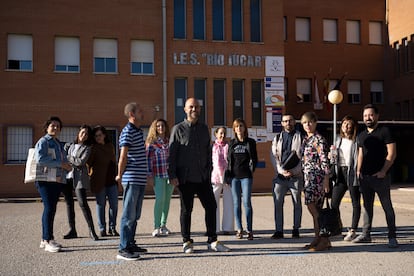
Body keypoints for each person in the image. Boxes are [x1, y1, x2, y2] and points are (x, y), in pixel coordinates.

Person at [168, 97, 230, 253]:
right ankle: (187, 241)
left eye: (196, 107)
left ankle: (212, 240)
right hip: (185, 178)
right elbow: (172, 154)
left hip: (202, 178)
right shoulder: (178, 129)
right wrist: (172, 175)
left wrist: (208, 171)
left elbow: (208, 152)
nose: (194, 109)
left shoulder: (204, 129)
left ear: (200, 109)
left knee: (211, 206)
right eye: (191, 107)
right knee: (186, 210)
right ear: (185, 109)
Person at [353, 104, 398, 248]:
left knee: (387, 207)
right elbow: (360, 153)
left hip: (381, 177)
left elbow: (392, 153)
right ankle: (366, 234)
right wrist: (358, 171)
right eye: (365, 115)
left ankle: (392, 236)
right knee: (367, 207)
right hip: (365, 177)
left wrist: (383, 171)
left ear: (377, 116)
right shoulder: (361, 134)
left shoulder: (385, 131)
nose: (368, 118)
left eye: (371, 115)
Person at [116, 102, 148, 261]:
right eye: (140, 111)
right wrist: (119, 175)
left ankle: (130, 243)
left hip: (140, 179)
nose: (143, 113)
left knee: (135, 214)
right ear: (132, 114)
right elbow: (123, 156)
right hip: (132, 178)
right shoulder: (127, 131)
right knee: (128, 214)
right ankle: (123, 248)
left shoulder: (138, 131)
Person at [35, 116, 72, 253]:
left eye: (58, 126)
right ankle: (47, 240)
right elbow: (40, 159)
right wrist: (60, 164)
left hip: (56, 180)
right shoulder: (44, 141)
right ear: (47, 127)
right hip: (45, 181)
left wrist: (67, 165)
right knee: (49, 208)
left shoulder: (57, 143)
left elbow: (61, 160)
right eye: (53, 125)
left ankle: (47, 238)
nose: (55, 128)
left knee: (51, 209)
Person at [300, 112, 331, 251]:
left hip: (317, 178)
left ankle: (323, 239)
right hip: (308, 178)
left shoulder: (319, 139)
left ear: (315, 123)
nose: (308, 125)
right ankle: (319, 238)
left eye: (310, 122)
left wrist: (326, 179)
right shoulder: (306, 139)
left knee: (314, 209)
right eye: (305, 122)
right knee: (314, 210)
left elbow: (324, 160)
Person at [270, 114, 303, 239]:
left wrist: (294, 171)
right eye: (285, 121)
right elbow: (273, 156)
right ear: (282, 123)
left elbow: (303, 157)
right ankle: (279, 230)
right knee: (278, 203)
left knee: (297, 203)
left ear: (294, 122)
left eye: (290, 120)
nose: (288, 123)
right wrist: (281, 171)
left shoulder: (301, 136)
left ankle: (296, 229)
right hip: (280, 177)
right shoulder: (277, 137)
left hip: (296, 176)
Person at [64, 125, 99, 241]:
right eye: (82, 132)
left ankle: (92, 231)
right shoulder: (69, 146)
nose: (84, 135)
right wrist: (69, 158)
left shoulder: (88, 148)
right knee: (69, 204)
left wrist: (68, 158)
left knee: (83, 203)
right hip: (67, 177)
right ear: (79, 133)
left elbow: (81, 162)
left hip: (79, 178)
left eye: (86, 134)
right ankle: (72, 230)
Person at [330, 116, 361, 241]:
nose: (346, 127)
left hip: (352, 171)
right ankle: (338, 228)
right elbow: (333, 157)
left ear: (353, 126)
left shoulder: (357, 140)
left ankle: (353, 230)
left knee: (355, 203)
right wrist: (331, 156)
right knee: (334, 203)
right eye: (344, 124)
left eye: (349, 124)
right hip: (340, 172)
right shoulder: (338, 140)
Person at [227, 118, 258, 240]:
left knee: (247, 202)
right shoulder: (232, 143)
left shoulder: (250, 142)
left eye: (241, 126)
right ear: (234, 129)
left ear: (244, 128)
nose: (239, 128)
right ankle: (239, 229)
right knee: (236, 204)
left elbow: (254, 158)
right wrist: (228, 175)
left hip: (246, 177)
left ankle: (249, 230)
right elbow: (229, 160)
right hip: (235, 177)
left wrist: (251, 170)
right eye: (236, 126)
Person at [88, 125, 119, 237]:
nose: (98, 138)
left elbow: (114, 161)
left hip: (111, 180)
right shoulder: (93, 148)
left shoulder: (110, 146)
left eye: (100, 135)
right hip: (99, 181)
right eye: (96, 136)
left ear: (104, 135)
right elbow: (88, 164)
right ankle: (102, 229)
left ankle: (112, 228)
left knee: (114, 205)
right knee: (101, 205)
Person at [146, 119, 174, 237]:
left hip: (170, 175)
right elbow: (148, 160)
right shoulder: (151, 143)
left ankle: (163, 225)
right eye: (158, 126)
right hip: (158, 175)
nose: (161, 128)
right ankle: (156, 226)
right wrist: (149, 176)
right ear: (155, 128)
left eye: (162, 125)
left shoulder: (170, 141)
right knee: (160, 200)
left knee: (167, 201)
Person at [211, 127, 234, 235]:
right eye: (220, 133)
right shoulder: (212, 147)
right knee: (213, 203)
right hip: (215, 177)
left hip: (227, 177)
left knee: (228, 202)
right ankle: (214, 228)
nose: (222, 135)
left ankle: (228, 228)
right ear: (216, 134)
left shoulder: (229, 146)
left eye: (224, 133)